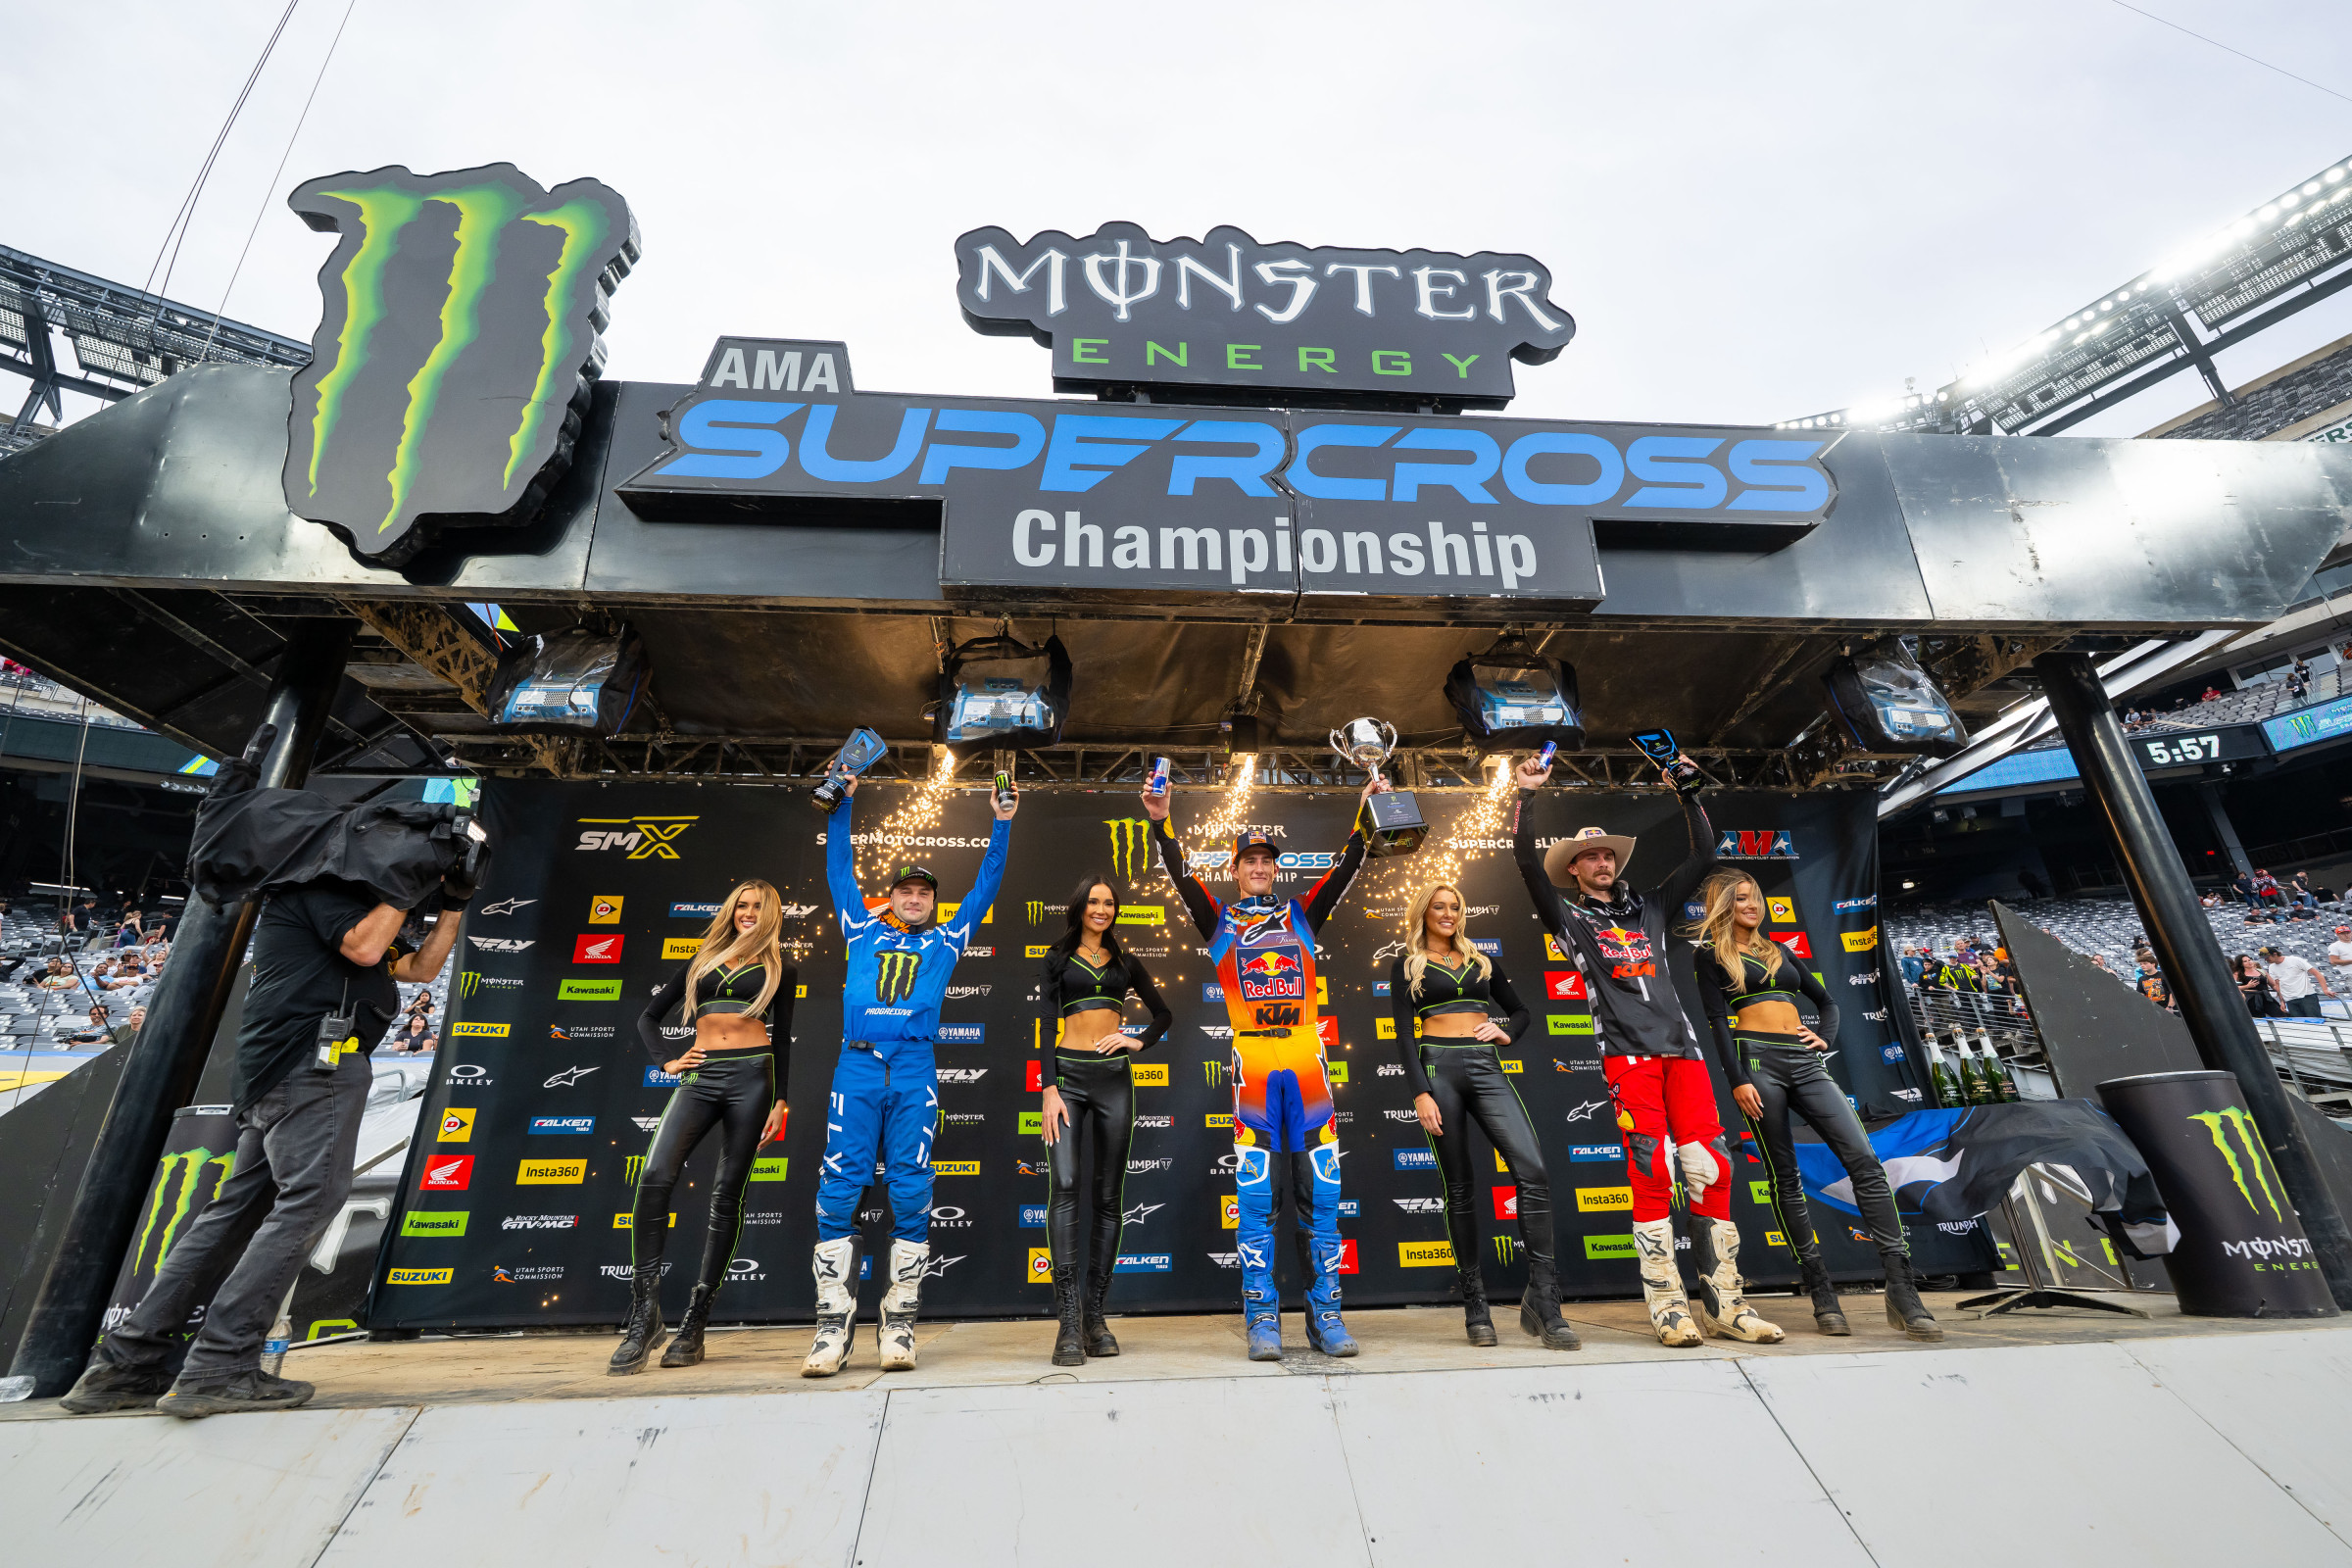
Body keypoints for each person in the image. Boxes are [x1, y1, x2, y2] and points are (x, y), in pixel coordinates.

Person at [62, 865, 473, 1417]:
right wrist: (405, 886)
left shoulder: (348, 903)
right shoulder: (323, 891)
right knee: (309, 1202)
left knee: (234, 1212)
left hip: (285, 1070)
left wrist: (454, 904)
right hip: (313, 1068)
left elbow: (420, 969)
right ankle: (220, 1365)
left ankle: (126, 1365)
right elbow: (367, 949)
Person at [1511, 751, 1781, 1348]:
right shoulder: (1569, 916)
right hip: (1626, 1055)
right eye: (1589, 857)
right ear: (1574, 871)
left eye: (1607, 854)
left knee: (1713, 1167)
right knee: (1651, 1169)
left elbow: (1705, 856)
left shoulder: (1653, 907)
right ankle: (1667, 1306)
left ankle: (1726, 1304)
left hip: (1682, 1052)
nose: (1601, 862)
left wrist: (1688, 796)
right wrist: (1526, 796)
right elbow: (1525, 864)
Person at [1148, 772, 1379, 1360]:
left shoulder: (1301, 917)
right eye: (1249, 860)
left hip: (1305, 1058)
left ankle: (1326, 1318)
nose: (1259, 867)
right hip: (1252, 1061)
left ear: (1275, 869)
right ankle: (1262, 1322)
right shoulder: (1221, 923)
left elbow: (1344, 872)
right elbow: (1180, 877)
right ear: (1236, 869)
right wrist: (1161, 821)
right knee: (1255, 1197)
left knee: (1320, 1191)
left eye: (1266, 861)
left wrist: (1363, 815)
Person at [804, 770, 1013, 1378]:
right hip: (858, 1064)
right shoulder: (860, 927)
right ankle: (830, 1326)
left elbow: (987, 886)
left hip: (916, 1066)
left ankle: (899, 1322)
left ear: (934, 902)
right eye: (906, 892)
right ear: (890, 898)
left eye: (924, 893)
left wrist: (1001, 824)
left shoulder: (949, 940)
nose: (915, 899)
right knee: (839, 1184)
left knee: (912, 1186)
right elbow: (839, 869)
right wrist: (840, 808)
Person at [1690, 872, 1940, 1341]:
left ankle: (1902, 1288)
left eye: (1756, 898)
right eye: (1741, 899)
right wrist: (1739, 1080)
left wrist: (1823, 1036)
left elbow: (1827, 1001)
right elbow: (1718, 1025)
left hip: (1805, 1062)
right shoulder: (1710, 955)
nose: (1752, 906)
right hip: (1757, 1062)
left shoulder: (1780, 951)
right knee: (1785, 1174)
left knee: (1865, 1161)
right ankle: (1821, 1287)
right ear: (1724, 904)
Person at [609, 880, 796, 1375]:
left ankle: (694, 1325)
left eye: (757, 906)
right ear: (730, 911)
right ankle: (644, 1315)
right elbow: (648, 1018)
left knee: (725, 1193)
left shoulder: (780, 969)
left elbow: (783, 1043)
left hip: (754, 1079)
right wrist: (668, 1063)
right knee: (654, 1177)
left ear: (770, 913)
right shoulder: (701, 963)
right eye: (740, 906)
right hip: (701, 1077)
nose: (747, 913)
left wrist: (781, 1099)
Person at [1393, 882, 1577, 1349]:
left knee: (1532, 1170)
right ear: (1424, 912)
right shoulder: (1407, 965)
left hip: (1484, 1066)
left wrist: (1505, 1031)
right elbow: (1401, 1036)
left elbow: (1521, 1011)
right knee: (1459, 1186)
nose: (1449, 913)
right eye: (1439, 906)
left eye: (1455, 906)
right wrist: (1420, 1094)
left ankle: (1544, 1299)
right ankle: (1476, 1303)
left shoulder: (1481, 961)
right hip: (1437, 1070)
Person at [1036, 874, 1172, 1366]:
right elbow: (1045, 1023)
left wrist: (1137, 1040)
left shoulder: (1125, 961)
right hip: (1067, 1079)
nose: (1101, 909)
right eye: (1093, 901)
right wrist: (1048, 1086)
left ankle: (1095, 1317)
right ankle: (1068, 1323)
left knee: (1109, 1195)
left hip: (1114, 1079)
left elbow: (1163, 1015)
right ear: (1079, 906)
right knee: (1066, 1184)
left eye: (1109, 903)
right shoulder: (1056, 957)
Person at [2263, 944, 2335, 1019]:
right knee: (2299, 1024)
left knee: (2315, 1020)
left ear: (2275, 954)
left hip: (2306, 996)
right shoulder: (2272, 967)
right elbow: (2278, 984)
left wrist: (2325, 989)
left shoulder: (2295, 960)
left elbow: (2317, 973)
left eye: (2267, 957)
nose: (2266, 960)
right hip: (2290, 999)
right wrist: (2282, 1001)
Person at [2233, 954, 2281, 1018]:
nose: (2249, 962)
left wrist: (2281, 993)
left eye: (2249, 960)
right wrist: (2247, 986)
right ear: (2241, 964)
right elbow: (2233, 987)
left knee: (2280, 1015)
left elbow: (2273, 985)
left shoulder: (2262, 971)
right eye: (2245, 961)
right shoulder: (2237, 973)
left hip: (2265, 997)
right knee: (2258, 1018)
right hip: (2250, 998)